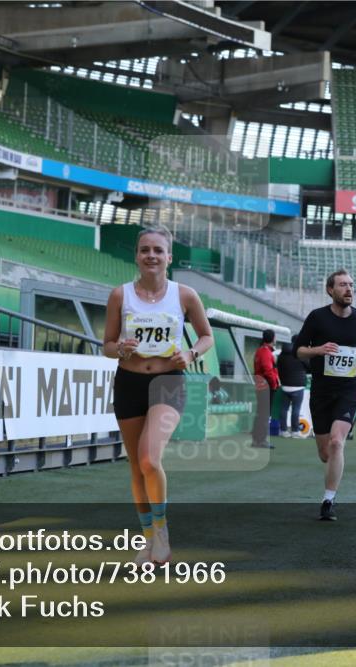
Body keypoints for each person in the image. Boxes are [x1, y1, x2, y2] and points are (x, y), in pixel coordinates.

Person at [103, 227, 213, 567]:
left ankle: (162, 534)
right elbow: (106, 346)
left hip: (168, 382)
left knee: (150, 459)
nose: (151, 255)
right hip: (129, 383)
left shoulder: (185, 295)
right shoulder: (120, 295)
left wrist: (192, 354)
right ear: (136, 256)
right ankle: (148, 540)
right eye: (145, 250)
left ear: (169, 257)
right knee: (136, 467)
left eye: (158, 250)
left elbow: (206, 336)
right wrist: (119, 348)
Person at [295, 270, 356, 521]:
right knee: (325, 453)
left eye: (351, 285)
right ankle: (331, 475)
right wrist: (318, 350)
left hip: (348, 390)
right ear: (331, 290)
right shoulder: (317, 317)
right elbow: (298, 352)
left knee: (338, 442)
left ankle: (328, 501)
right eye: (343, 285)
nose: (349, 289)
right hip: (321, 391)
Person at [251, 329, 280, 448]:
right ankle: (261, 440)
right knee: (264, 413)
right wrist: (274, 384)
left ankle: (257, 439)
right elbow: (268, 371)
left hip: (261, 385)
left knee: (261, 413)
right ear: (272, 338)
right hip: (266, 386)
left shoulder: (260, 351)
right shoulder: (266, 352)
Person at [276, 334, 308, 438]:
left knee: (284, 409)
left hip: (285, 385)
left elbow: (278, 367)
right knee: (296, 409)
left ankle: (283, 430)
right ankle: (295, 431)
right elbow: (309, 367)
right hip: (298, 386)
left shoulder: (282, 354)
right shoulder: (301, 354)